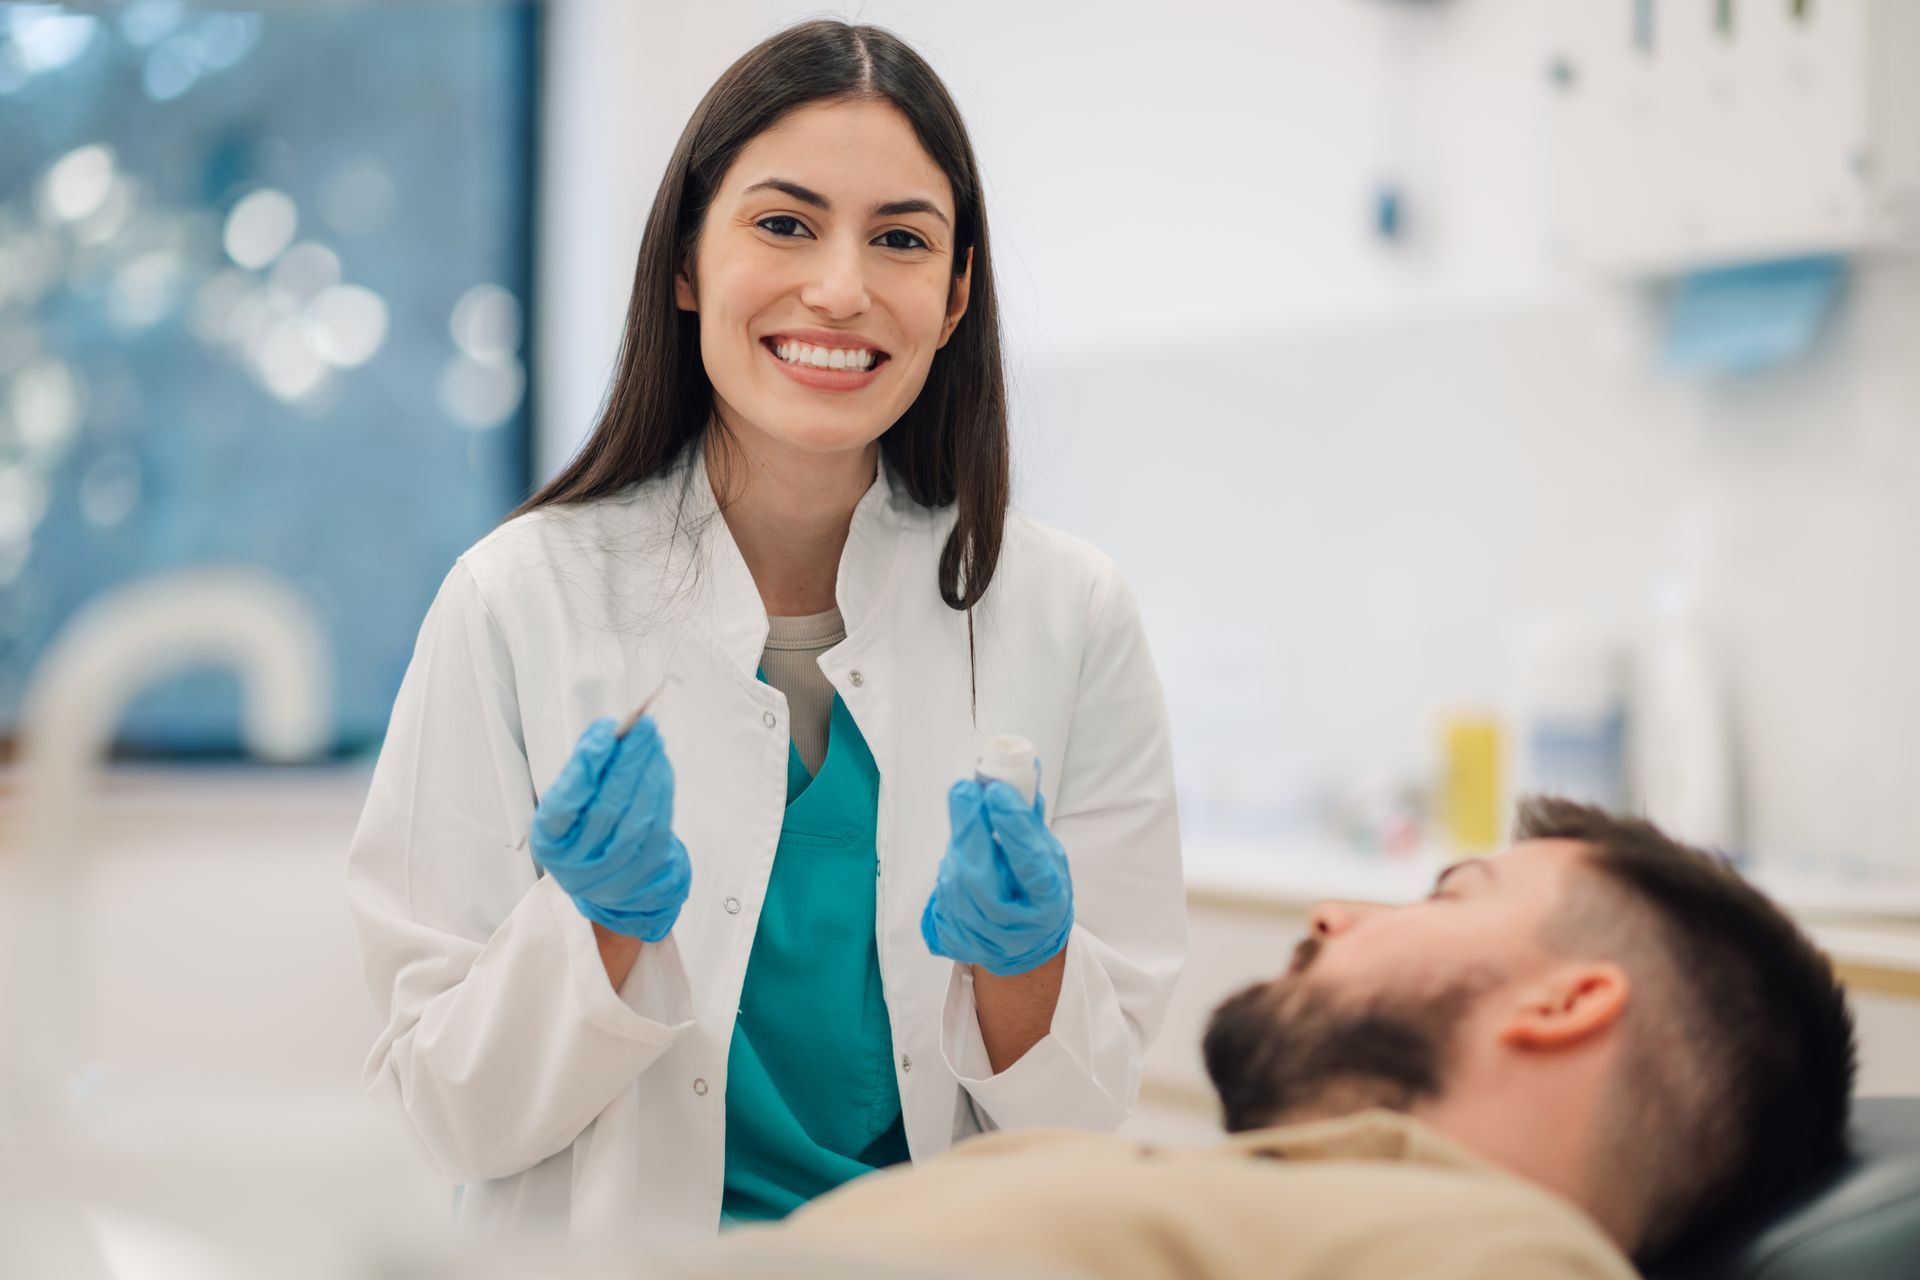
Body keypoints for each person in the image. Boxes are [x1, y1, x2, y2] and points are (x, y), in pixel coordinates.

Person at [344, 18, 1185, 1245]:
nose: (841, 286)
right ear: (688, 257)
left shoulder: (1066, 610)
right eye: (785, 223)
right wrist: (593, 933)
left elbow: (1083, 1116)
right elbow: (448, 1111)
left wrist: (1028, 965)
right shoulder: (516, 596)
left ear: (954, 298)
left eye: (900, 238)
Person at [709, 798, 1856, 1279]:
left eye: (1451, 895)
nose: (1334, 914)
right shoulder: (1284, 1210)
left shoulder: (1502, 1250)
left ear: (1562, 1003)